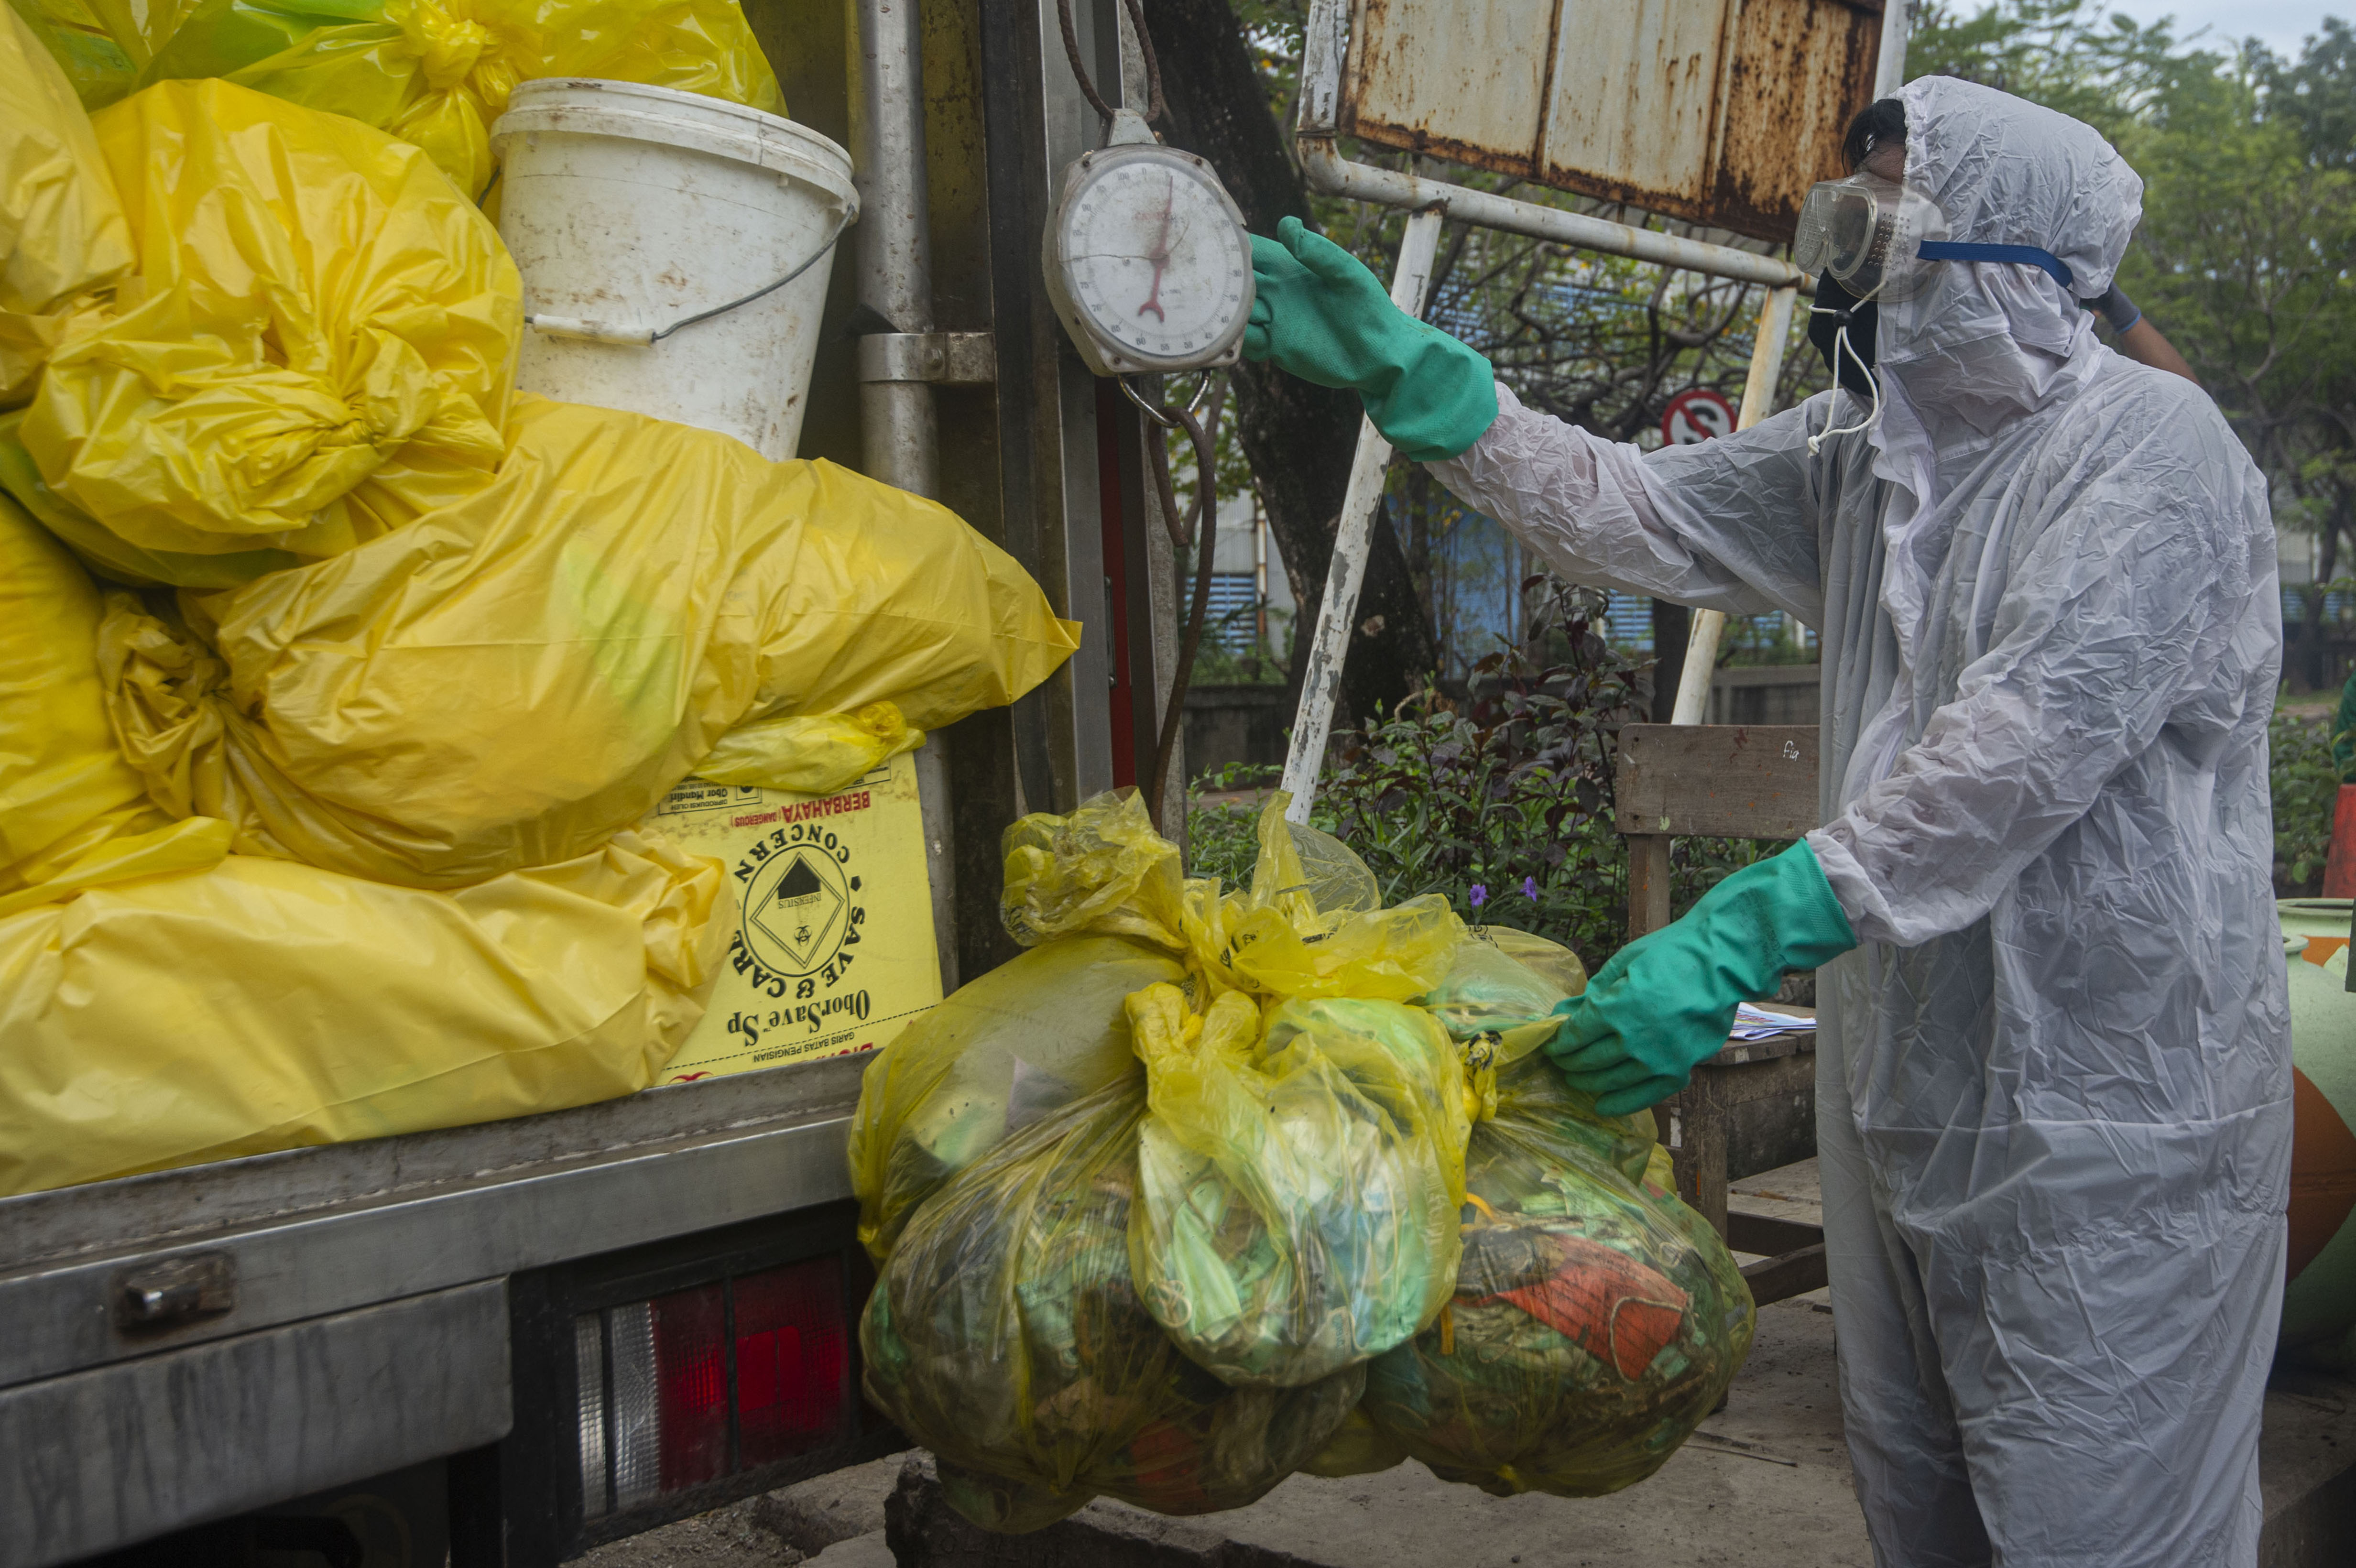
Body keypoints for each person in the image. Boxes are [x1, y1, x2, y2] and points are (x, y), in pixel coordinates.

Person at [1243, 76, 2291, 1567]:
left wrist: (1744, 927)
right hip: (1910, 1091)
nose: (1844, 257)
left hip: (2115, 1111)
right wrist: (1421, 379)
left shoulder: (2154, 455)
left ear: (2011, 247)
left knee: (2105, 1523)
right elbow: (1640, 511)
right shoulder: (1863, 458)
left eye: (1881, 215)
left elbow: (2022, 749)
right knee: (1922, 1499)